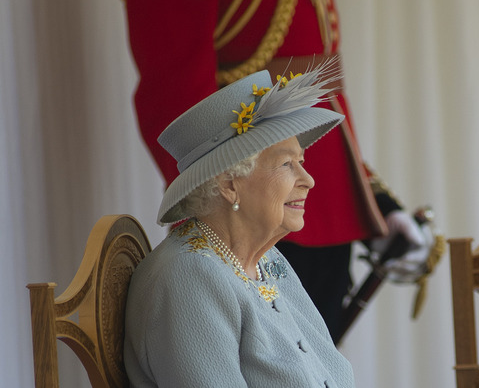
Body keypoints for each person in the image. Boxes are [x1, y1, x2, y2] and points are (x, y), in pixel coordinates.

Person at [116, 0, 437, 339]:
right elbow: (174, 92)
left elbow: (321, 95)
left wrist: (373, 201)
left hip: (321, 210)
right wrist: (223, 213)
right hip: (247, 207)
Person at [124, 61, 355, 387]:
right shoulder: (191, 278)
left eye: (301, 162)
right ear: (230, 183)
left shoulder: (266, 260)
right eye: (287, 164)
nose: (308, 180)